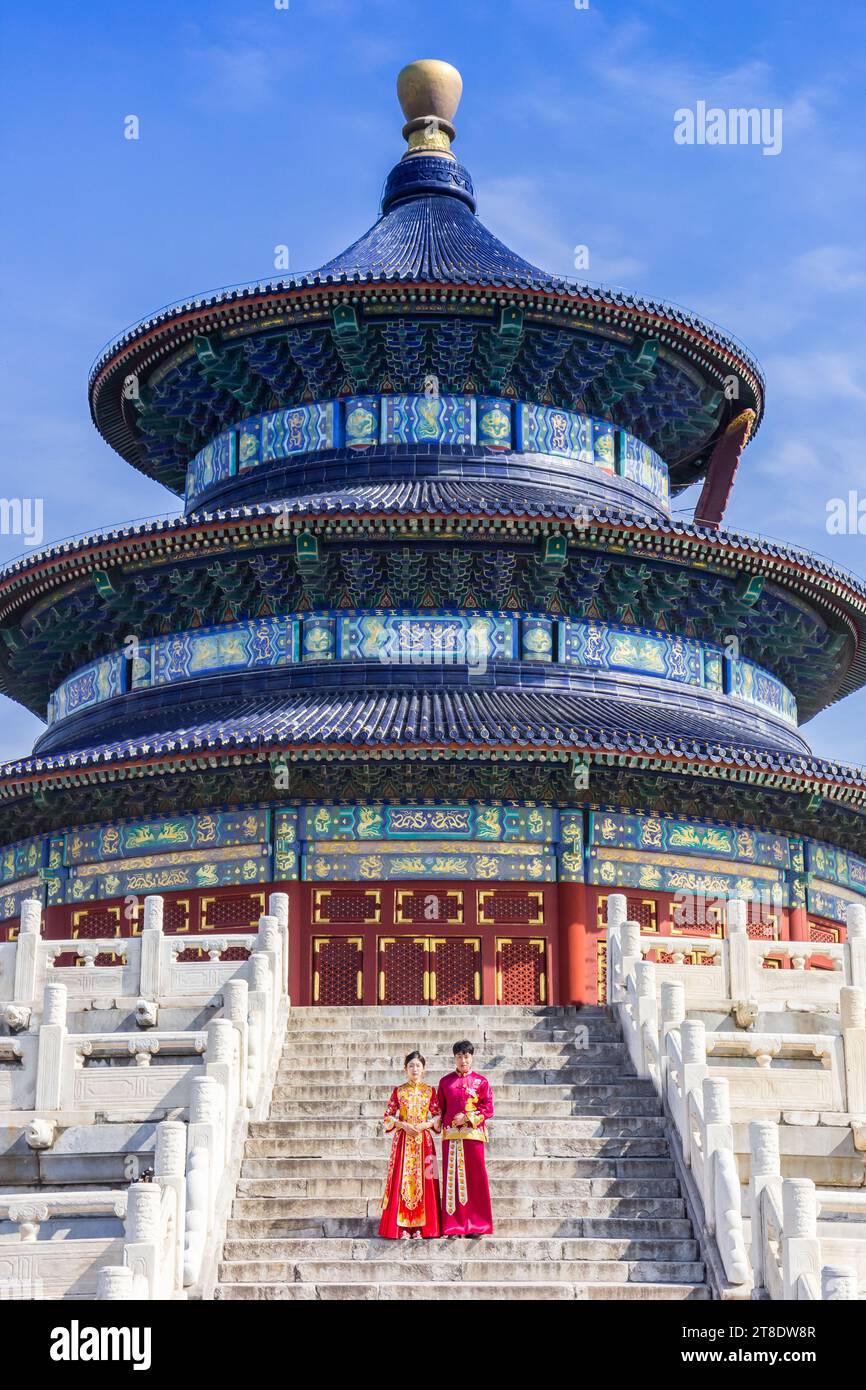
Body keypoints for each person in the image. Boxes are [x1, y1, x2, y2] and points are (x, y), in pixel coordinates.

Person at [379, 1049, 442, 1239]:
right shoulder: (399, 1091)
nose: (415, 1069)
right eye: (411, 1066)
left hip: (425, 1143)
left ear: (424, 1069)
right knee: (402, 1182)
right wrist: (401, 1124)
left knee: (427, 1182)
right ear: (405, 1069)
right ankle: (403, 1227)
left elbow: (438, 1115)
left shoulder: (430, 1091)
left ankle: (423, 1227)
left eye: (418, 1066)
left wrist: (427, 1124)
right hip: (403, 1142)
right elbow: (387, 1117)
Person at [437, 1040, 494, 1237]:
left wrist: (468, 1117)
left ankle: (477, 1225)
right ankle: (453, 1226)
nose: (463, 1060)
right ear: (454, 1058)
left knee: (475, 1179)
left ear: (472, 1057)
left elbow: (489, 1108)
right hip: (451, 1137)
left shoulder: (481, 1082)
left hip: (474, 1136)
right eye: (459, 1056)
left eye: (466, 1056)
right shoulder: (445, 1082)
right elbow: (440, 1109)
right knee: (452, 1179)